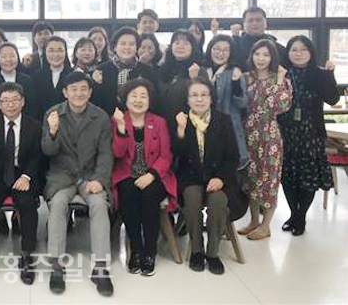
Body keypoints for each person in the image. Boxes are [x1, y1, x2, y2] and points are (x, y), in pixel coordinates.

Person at [42, 71, 114, 297]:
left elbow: (105, 153)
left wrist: (100, 179)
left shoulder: (101, 116)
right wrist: (52, 131)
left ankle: (100, 268)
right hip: (61, 175)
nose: (79, 93)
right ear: (65, 92)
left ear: (90, 92)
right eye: (73, 89)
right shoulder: (53, 113)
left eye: (84, 89)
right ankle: (56, 266)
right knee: (58, 204)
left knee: (99, 204)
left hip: (90, 175)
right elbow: (47, 151)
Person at [0, 82, 42, 286]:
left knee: (28, 205)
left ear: (23, 102)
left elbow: (37, 157)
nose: (10, 105)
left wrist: (27, 176)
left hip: (22, 174)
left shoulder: (34, 125)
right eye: (5, 101)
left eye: (14, 100)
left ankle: (27, 255)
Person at [173, 78, 241, 275]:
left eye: (204, 95)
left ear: (211, 98)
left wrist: (220, 178)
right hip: (190, 177)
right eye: (194, 95)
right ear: (187, 99)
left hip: (218, 177)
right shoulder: (181, 119)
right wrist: (180, 130)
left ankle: (212, 253)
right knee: (192, 199)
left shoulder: (223, 120)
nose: (199, 99)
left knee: (218, 202)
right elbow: (176, 154)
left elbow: (233, 156)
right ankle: (197, 250)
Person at [110, 79, 176, 276]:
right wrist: (121, 128)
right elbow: (117, 153)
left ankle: (150, 250)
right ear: (125, 98)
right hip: (126, 173)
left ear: (149, 100)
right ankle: (136, 249)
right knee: (128, 194)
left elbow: (166, 156)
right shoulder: (118, 120)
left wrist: (152, 174)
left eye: (143, 96)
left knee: (149, 196)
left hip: (156, 174)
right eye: (134, 96)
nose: (138, 100)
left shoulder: (159, 122)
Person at [277, 36, 339, 236]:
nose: (298, 53)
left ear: (311, 52)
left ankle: (300, 216)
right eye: (294, 49)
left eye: (303, 49)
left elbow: (333, 99)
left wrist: (330, 75)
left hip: (311, 134)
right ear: (288, 53)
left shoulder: (320, 74)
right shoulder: (282, 73)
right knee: (287, 177)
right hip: (286, 134)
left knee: (308, 177)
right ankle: (293, 214)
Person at [239, 39, 292, 240]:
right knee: (251, 180)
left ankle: (266, 225)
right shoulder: (246, 78)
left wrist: (279, 80)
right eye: (257, 54)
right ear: (251, 55)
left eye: (266, 55)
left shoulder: (279, 79)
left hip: (269, 136)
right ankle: (254, 221)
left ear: (272, 58)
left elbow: (281, 106)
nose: (261, 58)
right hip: (247, 134)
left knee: (269, 181)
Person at [91, 27, 160, 116]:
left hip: (139, 120)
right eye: (123, 43)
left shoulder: (147, 71)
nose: (127, 47)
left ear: (137, 47)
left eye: (131, 44)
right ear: (115, 47)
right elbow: (95, 101)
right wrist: (96, 84)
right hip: (107, 119)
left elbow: (154, 101)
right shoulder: (102, 69)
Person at [205, 35, 249, 169]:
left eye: (225, 50)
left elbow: (243, 103)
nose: (220, 53)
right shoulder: (203, 71)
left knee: (228, 170)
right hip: (205, 127)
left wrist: (235, 83)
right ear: (210, 49)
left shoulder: (234, 72)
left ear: (231, 53)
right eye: (217, 49)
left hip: (229, 129)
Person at [159, 29, 209, 136]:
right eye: (177, 43)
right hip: (162, 125)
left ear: (192, 48)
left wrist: (194, 79)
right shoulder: (162, 69)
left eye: (186, 43)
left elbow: (205, 102)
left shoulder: (198, 70)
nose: (180, 46)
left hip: (188, 125)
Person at [0, 42, 37, 118]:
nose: (8, 59)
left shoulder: (27, 80)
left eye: (12, 56)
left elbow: (32, 107)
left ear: (17, 58)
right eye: (4, 56)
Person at [32, 36, 73, 120]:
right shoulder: (36, 77)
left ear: (66, 52)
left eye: (60, 50)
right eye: (51, 50)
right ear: (45, 52)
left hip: (69, 122)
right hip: (42, 122)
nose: (55, 54)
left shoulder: (74, 75)